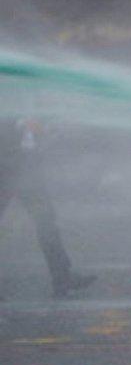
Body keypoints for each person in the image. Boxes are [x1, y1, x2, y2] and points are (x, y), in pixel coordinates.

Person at [0, 114, 97, 300]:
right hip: (5, 167)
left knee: (46, 223)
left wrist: (43, 128)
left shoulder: (29, 95)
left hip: (27, 168)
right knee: (45, 223)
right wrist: (21, 124)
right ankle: (63, 276)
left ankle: (63, 276)